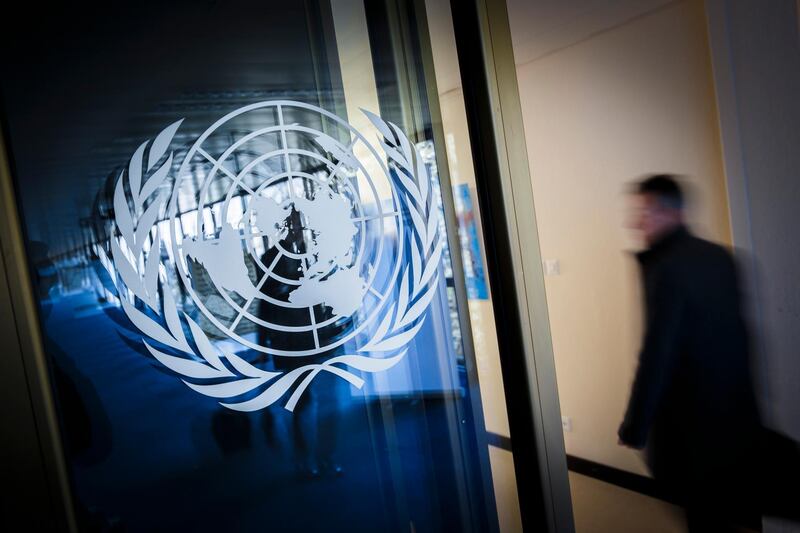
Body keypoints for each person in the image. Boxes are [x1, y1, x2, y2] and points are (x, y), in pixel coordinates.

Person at [617, 175, 762, 531]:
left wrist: (635, 426)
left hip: (693, 437)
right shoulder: (721, 258)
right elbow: (744, 340)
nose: (636, 222)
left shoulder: (666, 266)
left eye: (646, 212)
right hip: (737, 427)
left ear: (672, 213)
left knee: (706, 521)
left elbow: (657, 355)